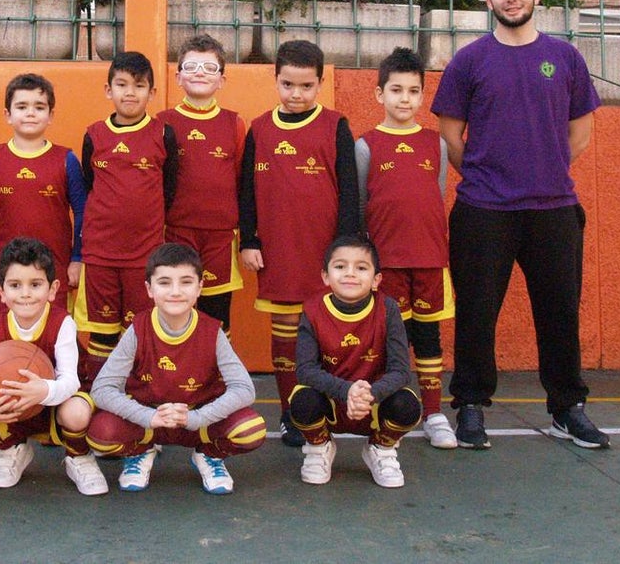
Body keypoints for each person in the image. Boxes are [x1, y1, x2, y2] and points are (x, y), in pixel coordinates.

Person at [431, 0, 609, 450]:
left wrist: (543, 170)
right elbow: (450, 136)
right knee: (476, 313)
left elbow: (580, 134)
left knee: (560, 313)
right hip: (483, 209)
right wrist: (487, 174)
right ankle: (470, 405)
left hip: (554, 209)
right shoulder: (469, 60)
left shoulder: (565, 57)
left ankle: (566, 408)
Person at [238, 39, 359, 446]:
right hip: (279, 251)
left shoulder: (336, 125)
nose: (296, 94)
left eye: (306, 86)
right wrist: (249, 239)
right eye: (288, 84)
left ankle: (329, 409)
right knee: (286, 334)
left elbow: (350, 191)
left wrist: (345, 251)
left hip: (325, 255)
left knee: (329, 334)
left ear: (320, 84)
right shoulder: (259, 128)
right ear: (275, 80)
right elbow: (246, 191)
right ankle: (292, 413)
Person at [88, 243, 266, 494]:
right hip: (149, 422)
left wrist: (197, 418)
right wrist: (147, 416)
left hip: (196, 421)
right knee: (100, 434)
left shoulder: (212, 332)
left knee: (250, 430)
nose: (175, 292)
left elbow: (244, 389)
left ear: (199, 287)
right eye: (164, 282)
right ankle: (140, 451)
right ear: (149, 289)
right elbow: (102, 388)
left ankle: (209, 455)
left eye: (185, 282)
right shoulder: (138, 330)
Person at [356, 47, 458, 449]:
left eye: (413, 91)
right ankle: (387, 411)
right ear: (379, 93)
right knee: (387, 341)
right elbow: (362, 206)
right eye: (396, 90)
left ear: (422, 96)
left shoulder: (437, 144)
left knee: (429, 338)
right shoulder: (366, 145)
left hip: (430, 260)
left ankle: (433, 414)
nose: (405, 99)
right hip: (387, 263)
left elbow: (438, 194)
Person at [0, 237, 108, 495]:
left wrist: (43, 390)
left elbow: (71, 381)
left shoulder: (62, 323)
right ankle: (12, 448)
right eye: (15, 285)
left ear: (52, 289)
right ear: (1, 291)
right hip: (14, 407)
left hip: (57, 404)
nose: (25, 294)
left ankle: (79, 456)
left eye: (35, 285)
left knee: (76, 413)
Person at [76, 51, 178, 384]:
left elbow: (169, 189)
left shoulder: (163, 134)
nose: (130, 93)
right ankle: (99, 398)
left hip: (144, 255)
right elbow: (90, 186)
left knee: (140, 331)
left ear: (152, 92)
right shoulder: (93, 135)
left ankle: (139, 396)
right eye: (121, 85)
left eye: (139, 85)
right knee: (102, 334)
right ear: (108, 90)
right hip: (100, 254)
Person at [291, 237, 421, 488]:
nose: (350, 273)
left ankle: (381, 448)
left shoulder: (388, 309)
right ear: (325, 276)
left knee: (407, 405)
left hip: (373, 402)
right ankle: (319, 447)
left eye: (361, 267)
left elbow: (401, 371)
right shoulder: (313, 309)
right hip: (332, 401)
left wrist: (369, 394)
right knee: (302, 400)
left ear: (376, 280)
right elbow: (306, 370)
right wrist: (347, 390)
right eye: (340, 266)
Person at [0, 73, 86, 316]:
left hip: (53, 271)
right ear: (8, 114)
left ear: (51, 115)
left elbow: (83, 212)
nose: (30, 113)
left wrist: (77, 257)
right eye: (22, 107)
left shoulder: (67, 160)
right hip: (5, 271)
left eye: (39, 107)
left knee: (52, 334)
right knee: (5, 337)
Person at [156, 34, 246, 333]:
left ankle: (217, 366)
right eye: (191, 66)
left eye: (209, 68)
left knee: (216, 318)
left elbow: (241, 181)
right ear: (178, 76)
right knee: (175, 312)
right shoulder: (162, 123)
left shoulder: (234, 123)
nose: (200, 73)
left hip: (220, 237)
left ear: (222, 79)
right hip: (175, 232)